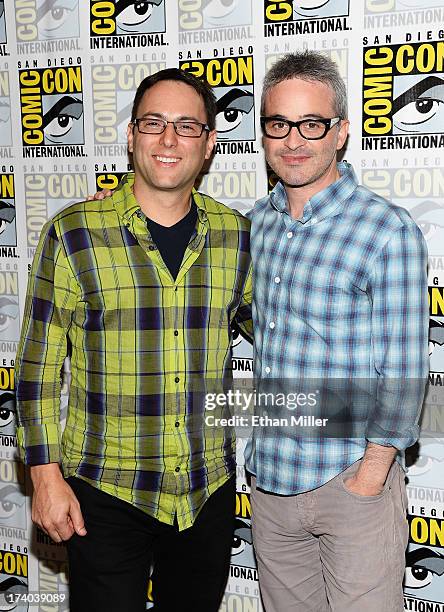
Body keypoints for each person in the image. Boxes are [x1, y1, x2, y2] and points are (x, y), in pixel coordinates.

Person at [15, 68, 252, 612]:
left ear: (210, 143)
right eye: (154, 123)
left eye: (187, 126)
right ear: (131, 136)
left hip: (205, 487)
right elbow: (36, 368)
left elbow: (279, 327)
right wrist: (45, 478)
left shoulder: (237, 236)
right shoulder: (74, 233)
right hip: (105, 489)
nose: (169, 140)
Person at [245, 51, 429, 611]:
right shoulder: (254, 224)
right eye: (278, 124)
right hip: (271, 482)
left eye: (312, 124)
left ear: (341, 131)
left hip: (350, 481)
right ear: (265, 133)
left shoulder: (385, 229)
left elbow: (403, 371)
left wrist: (370, 476)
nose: (294, 140)